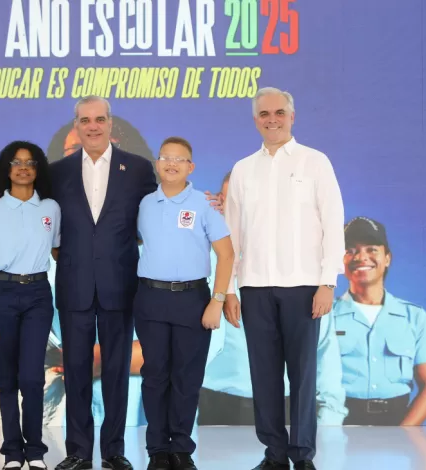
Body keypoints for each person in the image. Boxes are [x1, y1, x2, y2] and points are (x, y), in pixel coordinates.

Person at [0, 96, 157, 470]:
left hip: (120, 286)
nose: (92, 126)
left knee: (115, 371)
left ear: (111, 124)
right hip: (73, 285)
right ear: (76, 125)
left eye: (99, 119)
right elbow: (36, 219)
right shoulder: (56, 173)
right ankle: (78, 451)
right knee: (76, 368)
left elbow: (151, 221)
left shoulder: (139, 169)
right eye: (85, 120)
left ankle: (113, 451)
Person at [223, 87, 345, 470]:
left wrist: (328, 282)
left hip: (304, 287)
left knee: (304, 375)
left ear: (292, 117)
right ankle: (274, 453)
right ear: (255, 119)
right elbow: (232, 234)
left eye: (279, 112)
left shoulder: (315, 162)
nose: (272, 119)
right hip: (254, 287)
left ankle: (302, 454)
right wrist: (228, 289)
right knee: (265, 375)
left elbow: (332, 223)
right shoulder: (243, 169)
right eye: (264, 114)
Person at [199, 173, 347, 427]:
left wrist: (329, 420)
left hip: (287, 405)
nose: (230, 209)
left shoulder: (300, 267)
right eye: (224, 201)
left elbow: (324, 351)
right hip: (215, 407)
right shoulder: (201, 262)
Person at [134, 137, 234, 470]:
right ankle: (157, 449)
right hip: (150, 297)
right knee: (155, 375)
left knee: (186, 377)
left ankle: (181, 447)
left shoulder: (205, 204)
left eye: (180, 159)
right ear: (157, 164)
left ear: (190, 167)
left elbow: (226, 254)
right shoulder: (145, 203)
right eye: (166, 158)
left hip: (193, 298)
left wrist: (217, 301)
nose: (172, 164)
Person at [0, 140, 60, 470]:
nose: (23, 167)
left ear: (38, 169)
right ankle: (12, 450)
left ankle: (36, 450)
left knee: (32, 378)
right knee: (7, 379)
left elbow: (58, 252)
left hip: (39, 294)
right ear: (5, 170)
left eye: (30, 162)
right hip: (1, 294)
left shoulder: (51, 209)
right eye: (16, 162)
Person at [333, 216, 426, 426]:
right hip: (337, 427)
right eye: (350, 250)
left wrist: (403, 434)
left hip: (397, 424)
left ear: (387, 258)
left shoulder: (415, 318)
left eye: (372, 249)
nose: (361, 257)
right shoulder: (323, 317)